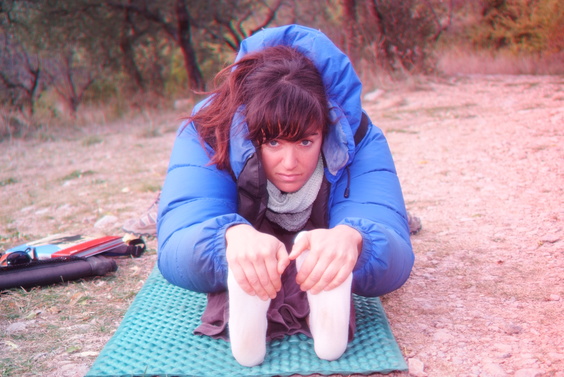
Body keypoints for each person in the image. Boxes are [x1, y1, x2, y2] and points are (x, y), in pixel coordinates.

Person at [157, 24, 415, 367]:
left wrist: (356, 240)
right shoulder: (207, 130)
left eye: (306, 142)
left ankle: (323, 303)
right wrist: (227, 239)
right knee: (244, 262)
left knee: (333, 258)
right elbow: (178, 238)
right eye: (273, 142)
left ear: (327, 128)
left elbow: (390, 239)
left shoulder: (360, 135)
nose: (290, 164)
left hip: (321, 228)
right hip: (246, 228)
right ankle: (246, 297)